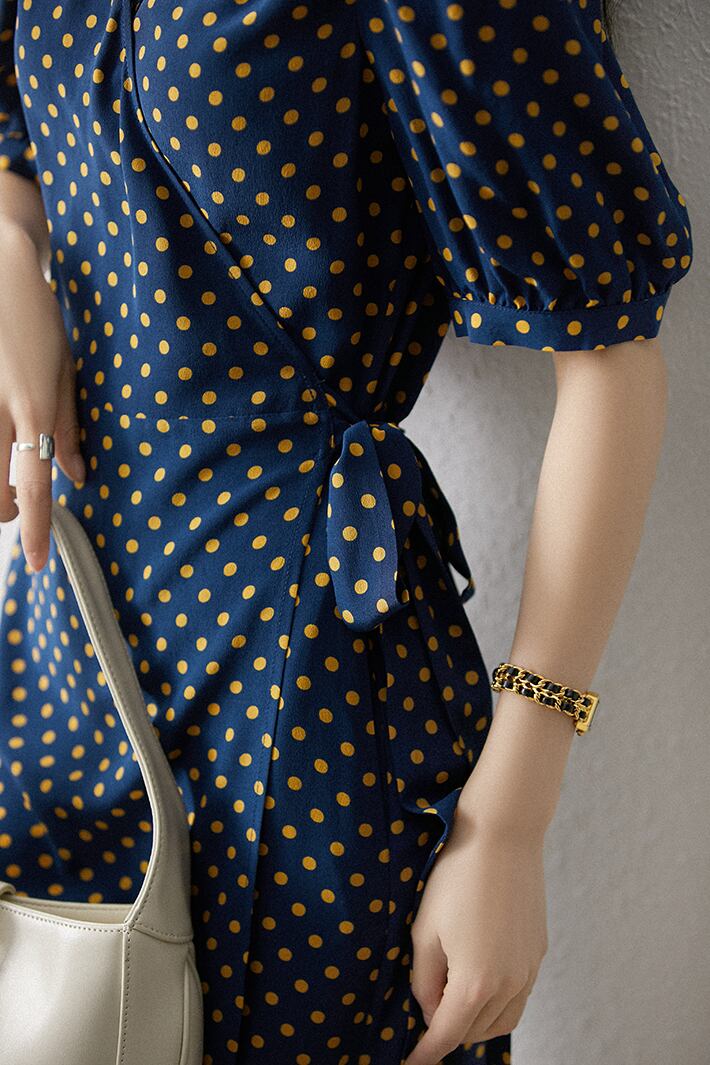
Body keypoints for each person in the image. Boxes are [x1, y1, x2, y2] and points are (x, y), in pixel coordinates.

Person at [0, 1, 693, 1062]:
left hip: (304, 676)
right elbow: (20, 139)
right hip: (69, 626)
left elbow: (610, 358)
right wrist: (12, 252)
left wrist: (506, 827)